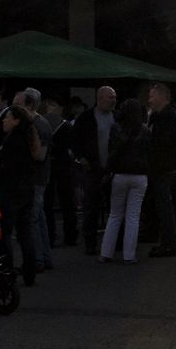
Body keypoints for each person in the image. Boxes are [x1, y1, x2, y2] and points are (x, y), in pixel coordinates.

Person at [0, 104, 40, 287]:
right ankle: (30, 272)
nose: (4, 121)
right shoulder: (29, 139)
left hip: (11, 192)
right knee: (26, 232)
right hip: (27, 190)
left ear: (16, 121)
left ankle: (7, 270)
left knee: (5, 233)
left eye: (7, 117)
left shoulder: (12, 141)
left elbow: (9, 171)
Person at [98, 99, 149, 264]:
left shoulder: (116, 128)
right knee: (133, 216)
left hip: (120, 174)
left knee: (115, 214)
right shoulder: (145, 130)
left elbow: (112, 151)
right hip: (140, 175)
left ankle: (106, 252)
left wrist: (108, 170)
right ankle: (129, 255)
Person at [72, 86, 117, 256]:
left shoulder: (116, 117)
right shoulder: (86, 118)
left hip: (112, 168)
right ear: (100, 98)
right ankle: (90, 242)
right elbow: (75, 140)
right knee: (91, 206)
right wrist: (82, 157)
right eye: (110, 97)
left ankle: (115, 241)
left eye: (114, 97)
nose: (113, 101)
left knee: (114, 206)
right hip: (93, 168)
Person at [146, 82, 176, 258]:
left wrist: (168, 165)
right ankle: (165, 242)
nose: (149, 100)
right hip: (163, 168)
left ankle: (168, 244)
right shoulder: (161, 116)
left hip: (163, 168)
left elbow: (171, 144)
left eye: (152, 96)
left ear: (162, 97)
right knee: (163, 206)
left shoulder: (167, 118)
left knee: (164, 206)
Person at [19, 88, 53, 272]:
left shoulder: (37, 125)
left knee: (32, 219)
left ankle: (37, 259)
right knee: (39, 218)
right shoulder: (42, 123)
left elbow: (40, 155)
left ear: (29, 104)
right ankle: (44, 257)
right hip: (40, 177)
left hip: (35, 178)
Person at [42, 96, 78, 248]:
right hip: (63, 165)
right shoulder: (66, 125)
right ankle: (69, 235)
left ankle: (51, 236)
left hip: (51, 165)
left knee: (49, 202)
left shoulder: (44, 123)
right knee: (66, 201)